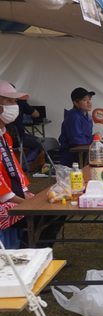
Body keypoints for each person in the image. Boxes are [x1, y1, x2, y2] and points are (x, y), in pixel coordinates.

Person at [0, 81, 31, 248]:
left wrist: (26, 194)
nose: (15, 106)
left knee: (50, 210)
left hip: (9, 197)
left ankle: (32, 250)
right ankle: (27, 251)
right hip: (3, 202)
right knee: (39, 213)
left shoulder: (5, 135)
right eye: (9, 101)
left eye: (15, 102)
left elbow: (14, 170)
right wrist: (25, 202)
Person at [58, 87, 95, 167]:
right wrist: (94, 138)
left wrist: (94, 138)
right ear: (76, 103)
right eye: (85, 100)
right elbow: (78, 141)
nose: (89, 103)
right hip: (72, 159)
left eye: (90, 99)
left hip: (83, 155)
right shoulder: (74, 117)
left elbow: (86, 138)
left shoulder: (86, 116)